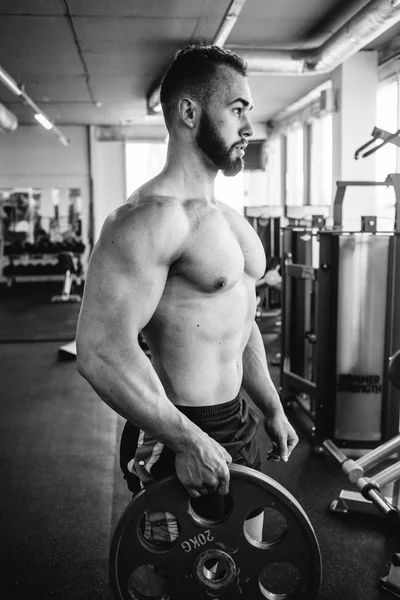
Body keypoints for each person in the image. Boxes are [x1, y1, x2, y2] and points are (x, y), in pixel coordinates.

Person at [76, 44, 298, 550]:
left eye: (249, 110)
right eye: (237, 108)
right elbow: (100, 350)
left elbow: (237, 324)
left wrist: (272, 406)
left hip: (236, 422)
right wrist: (184, 439)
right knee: (177, 580)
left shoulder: (228, 220)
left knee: (243, 565)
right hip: (177, 426)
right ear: (190, 112)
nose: (248, 125)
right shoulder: (146, 220)